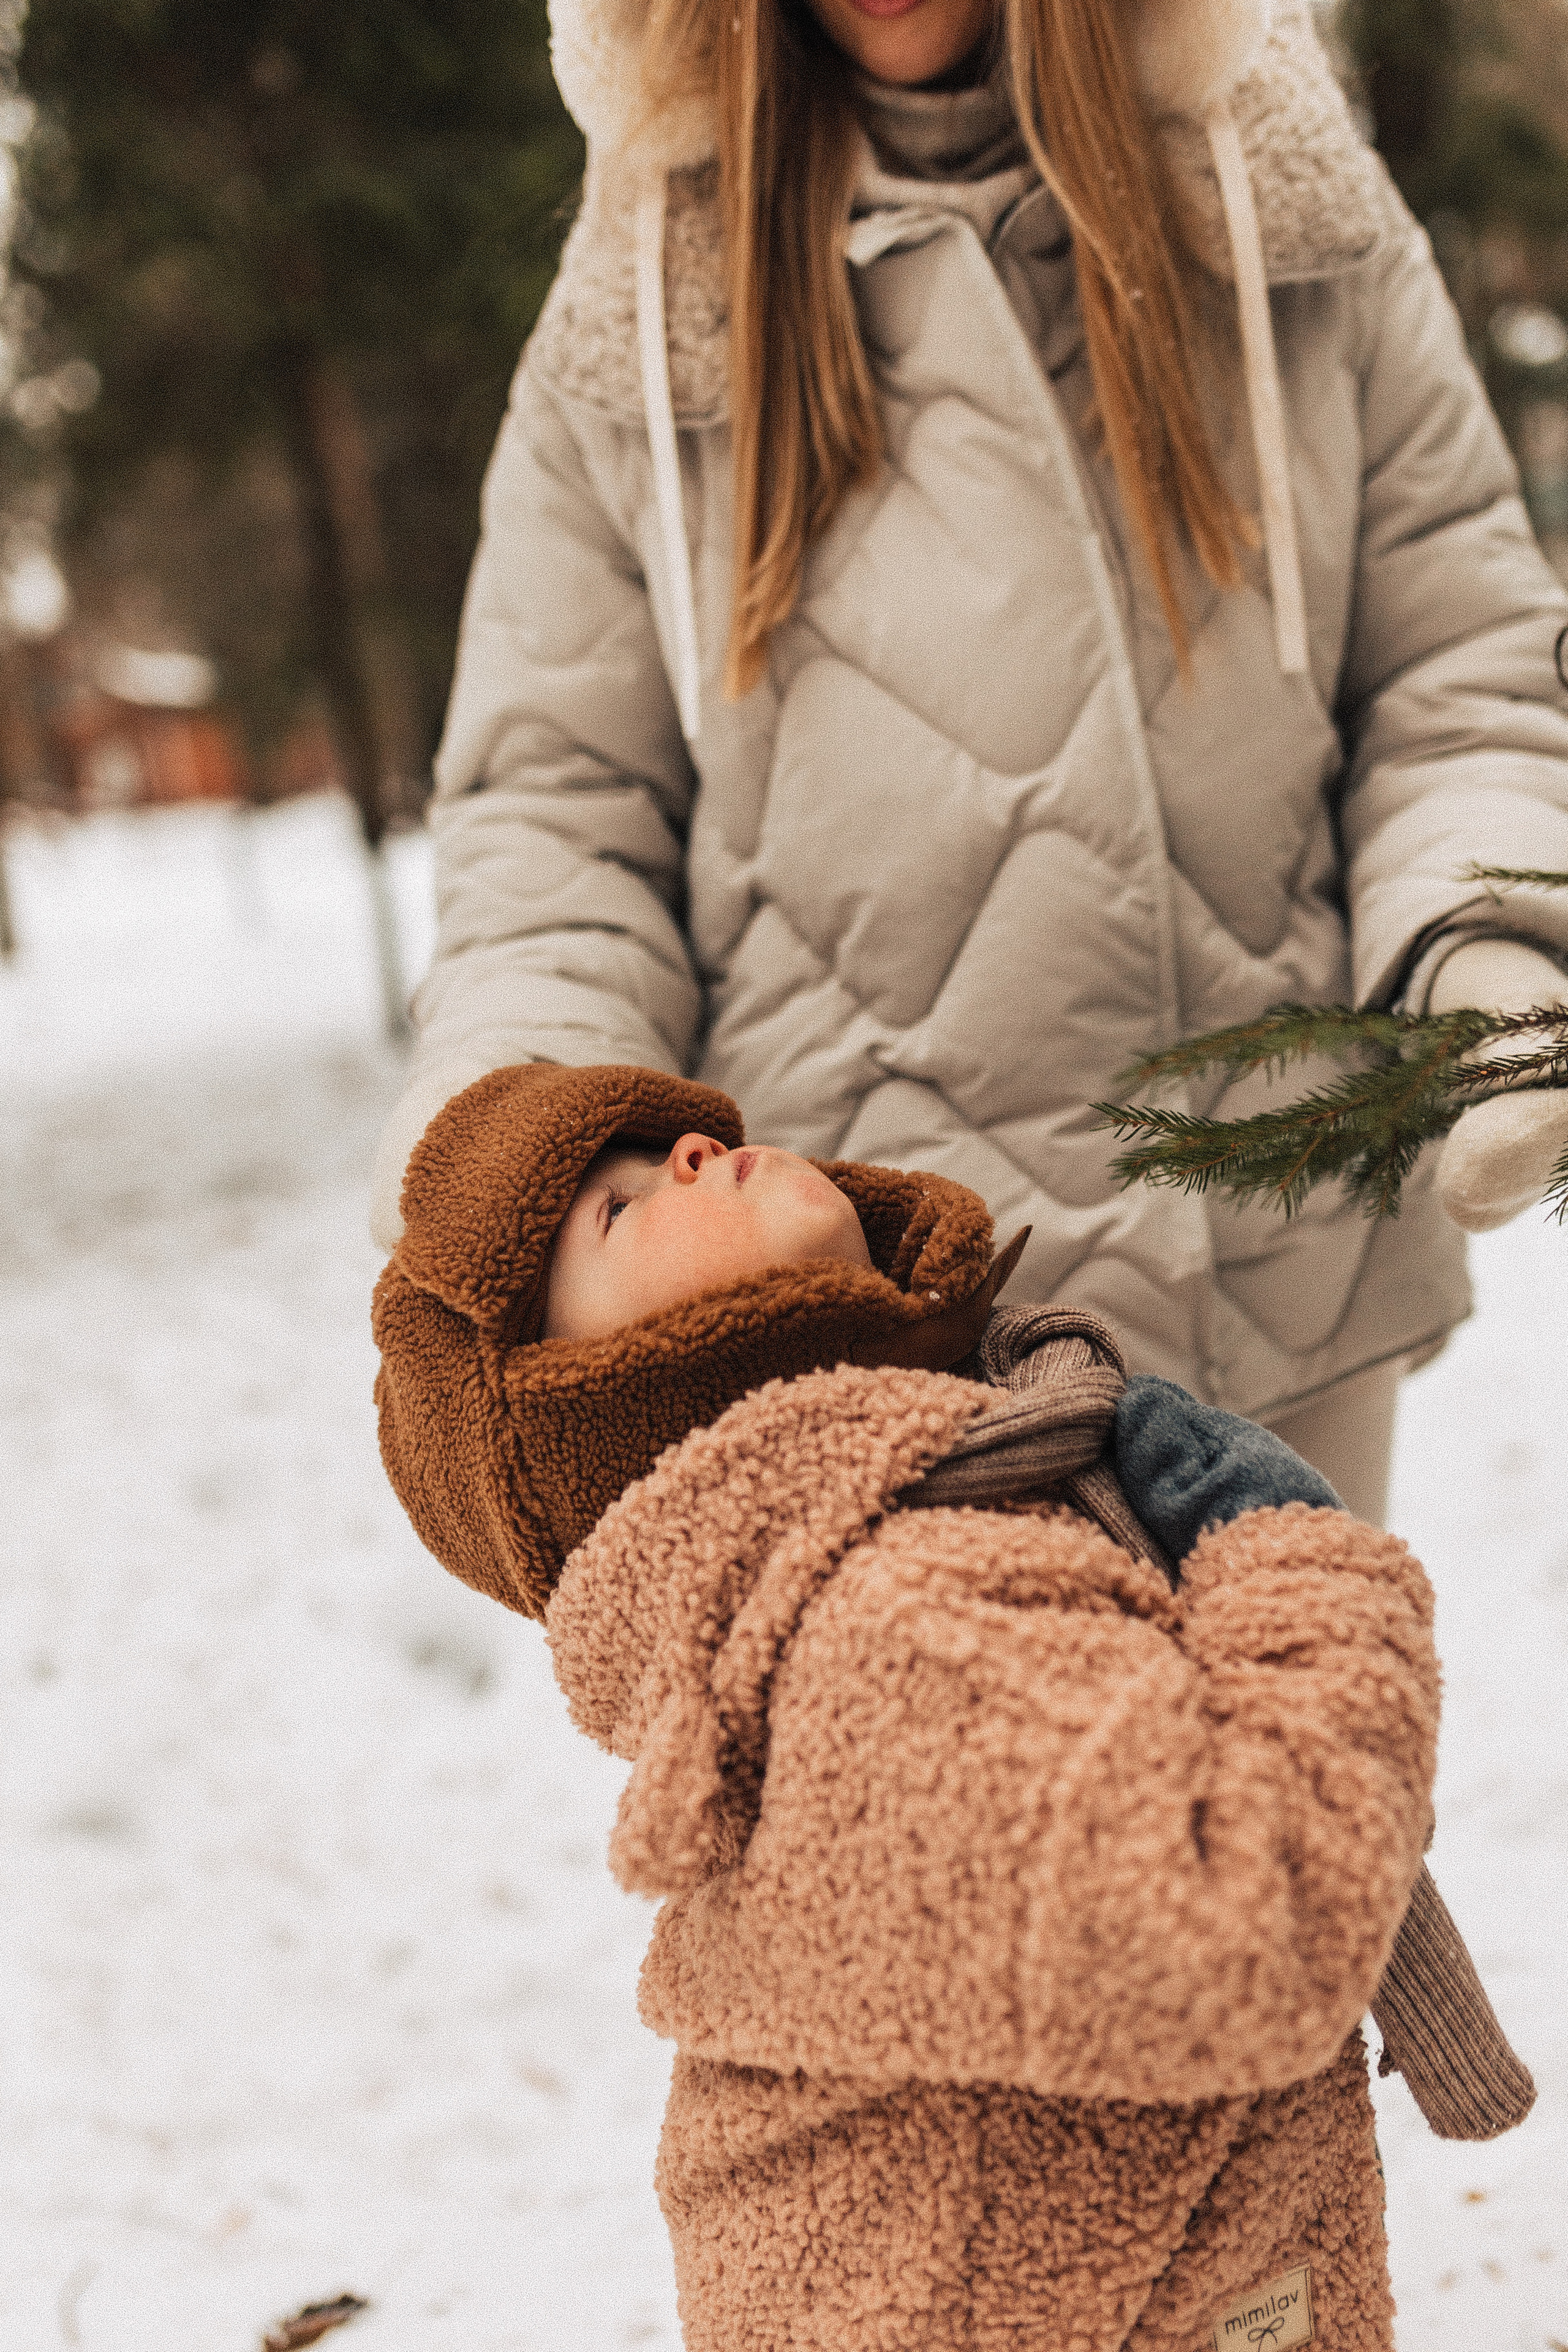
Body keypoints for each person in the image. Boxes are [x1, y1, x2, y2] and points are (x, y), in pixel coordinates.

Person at [370, 0, 1568, 1529]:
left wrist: (1478, 940)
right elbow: (556, 814)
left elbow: (1451, 658)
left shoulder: (1274, 191)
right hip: (859, 1353)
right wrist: (506, 1132)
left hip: (1275, 1295)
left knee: (1299, 1754)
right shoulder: (642, 295)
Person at [372, 1058, 1450, 2350]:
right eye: (610, 1215)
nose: (693, 1154)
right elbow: (1250, 1929)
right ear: (596, 1401)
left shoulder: (914, 1513)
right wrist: (1284, 1547)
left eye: (672, 1148)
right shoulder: (888, 1618)